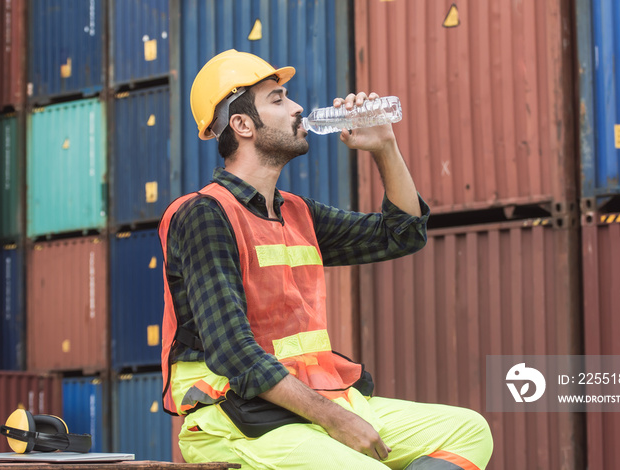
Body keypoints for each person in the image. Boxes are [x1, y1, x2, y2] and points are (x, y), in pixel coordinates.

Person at [158, 49, 493, 469]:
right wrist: (337, 420)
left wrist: (384, 146)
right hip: (238, 416)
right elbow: (236, 356)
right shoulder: (204, 215)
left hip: (313, 403)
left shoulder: (297, 212)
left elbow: (402, 234)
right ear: (242, 125)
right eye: (278, 99)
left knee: (469, 429)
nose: (298, 107)